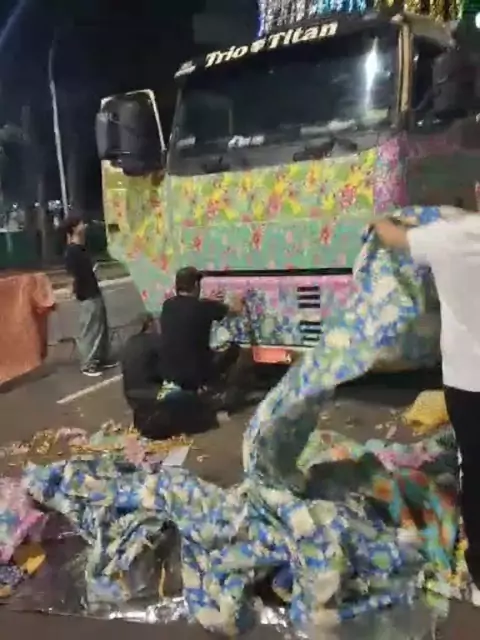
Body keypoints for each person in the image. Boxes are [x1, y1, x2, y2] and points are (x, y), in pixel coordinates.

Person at [373, 211, 480, 602]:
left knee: (474, 471)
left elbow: (392, 237)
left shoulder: (448, 237)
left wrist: (381, 218)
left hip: (467, 380)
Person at [160, 266, 246, 411]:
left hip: (170, 372)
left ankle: (202, 391)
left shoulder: (167, 305)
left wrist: (211, 301)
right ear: (196, 285)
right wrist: (237, 297)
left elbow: (191, 308)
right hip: (196, 373)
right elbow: (236, 310)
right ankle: (219, 393)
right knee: (235, 350)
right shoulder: (204, 307)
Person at [64, 214, 114, 377]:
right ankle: (88, 364)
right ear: (74, 228)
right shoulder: (72, 251)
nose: (84, 226)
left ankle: (100, 358)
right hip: (86, 293)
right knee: (91, 330)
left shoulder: (81, 248)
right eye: (81, 224)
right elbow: (72, 275)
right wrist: (74, 289)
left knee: (100, 327)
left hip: (93, 290)